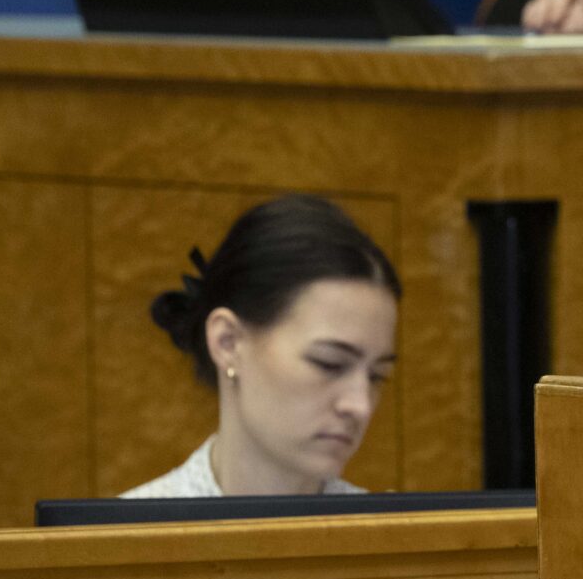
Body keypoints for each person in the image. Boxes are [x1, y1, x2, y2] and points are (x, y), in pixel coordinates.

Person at [125, 195, 400, 497]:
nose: (360, 406)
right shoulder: (132, 525)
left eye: (376, 376)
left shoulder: (398, 526)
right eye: (329, 363)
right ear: (228, 342)